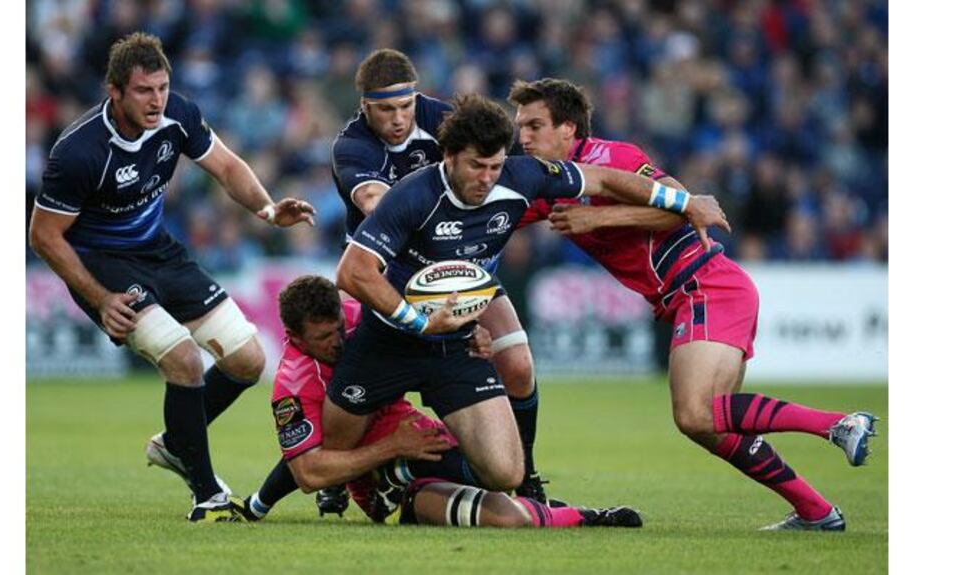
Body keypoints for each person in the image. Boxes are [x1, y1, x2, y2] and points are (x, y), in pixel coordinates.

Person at [508, 77, 878, 531]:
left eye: (534, 125)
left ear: (568, 129)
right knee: (711, 424)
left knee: (695, 413)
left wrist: (599, 215)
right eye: (520, 126)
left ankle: (838, 424)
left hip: (706, 284)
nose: (523, 137)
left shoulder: (613, 157)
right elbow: (494, 213)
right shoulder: (551, 184)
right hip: (688, 295)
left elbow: (684, 206)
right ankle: (816, 511)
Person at [322, 94, 728, 500]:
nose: (486, 178)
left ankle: (403, 468)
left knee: (505, 474)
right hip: (389, 338)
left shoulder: (523, 177)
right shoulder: (412, 196)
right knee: (330, 457)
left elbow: (602, 178)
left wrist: (685, 202)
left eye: (495, 166)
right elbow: (352, 272)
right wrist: (419, 321)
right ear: (448, 156)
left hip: (457, 342)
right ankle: (362, 470)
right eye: (476, 166)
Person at [28, 32, 315, 522]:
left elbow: (225, 165)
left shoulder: (177, 115)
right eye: (143, 90)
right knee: (183, 359)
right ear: (114, 91)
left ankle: (177, 443)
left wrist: (267, 209)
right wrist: (98, 300)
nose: (156, 100)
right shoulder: (79, 151)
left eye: (162, 87)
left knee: (248, 360)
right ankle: (206, 493)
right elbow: (44, 236)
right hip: (104, 266)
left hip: (159, 252)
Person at [239, 275, 642, 529]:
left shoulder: (363, 318)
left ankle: (578, 512)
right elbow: (307, 472)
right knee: (504, 516)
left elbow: (426, 343)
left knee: (498, 471)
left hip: (420, 442)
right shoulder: (294, 383)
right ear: (293, 335)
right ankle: (586, 517)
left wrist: (472, 336)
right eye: (325, 337)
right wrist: (392, 447)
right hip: (387, 485)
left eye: (340, 328)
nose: (339, 342)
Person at [330, 48, 549, 503]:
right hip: (390, 269)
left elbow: (493, 168)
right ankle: (347, 476)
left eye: (405, 106)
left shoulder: (446, 122)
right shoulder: (352, 146)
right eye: (386, 109)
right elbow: (374, 199)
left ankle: (525, 474)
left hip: (459, 270)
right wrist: (409, 210)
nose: (398, 119)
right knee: (348, 416)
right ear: (365, 105)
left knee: (517, 361)